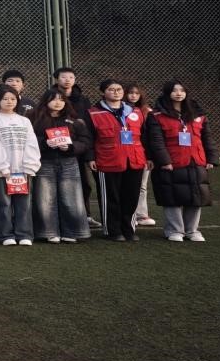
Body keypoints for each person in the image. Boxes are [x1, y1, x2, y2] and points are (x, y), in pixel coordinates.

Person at [145, 81, 217, 242]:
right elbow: (156, 140)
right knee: (172, 197)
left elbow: (207, 138)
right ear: (167, 93)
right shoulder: (156, 115)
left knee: (196, 196)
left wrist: (211, 158)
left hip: (196, 160)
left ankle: (192, 230)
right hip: (171, 162)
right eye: (174, 90)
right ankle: (174, 230)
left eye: (182, 90)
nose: (178, 93)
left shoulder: (198, 114)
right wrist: (164, 160)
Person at [85, 79, 149, 242]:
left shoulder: (136, 111)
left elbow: (145, 136)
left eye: (119, 89)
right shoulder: (93, 113)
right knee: (110, 197)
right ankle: (112, 230)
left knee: (131, 196)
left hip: (134, 159)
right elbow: (88, 138)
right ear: (103, 92)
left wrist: (148, 156)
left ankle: (128, 229)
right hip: (107, 160)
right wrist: (90, 157)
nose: (116, 92)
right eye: (111, 89)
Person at [27, 88, 91, 243]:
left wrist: (71, 147)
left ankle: (73, 232)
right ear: (46, 101)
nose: (58, 103)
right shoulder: (34, 118)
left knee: (71, 198)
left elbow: (85, 141)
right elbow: (29, 139)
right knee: (45, 198)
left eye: (61, 100)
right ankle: (48, 232)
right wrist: (45, 143)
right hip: (44, 162)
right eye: (54, 99)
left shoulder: (74, 119)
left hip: (69, 162)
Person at [0, 85, 41, 246]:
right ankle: (5, 235)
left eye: (13, 99)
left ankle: (24, 234)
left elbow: (31, 143)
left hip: (23, 170)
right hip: (2, 171)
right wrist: (3, 167)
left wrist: (29, 166)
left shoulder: (24, 121)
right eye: (5, 99)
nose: (9, 102)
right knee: (4, 203)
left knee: (24, 203)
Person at [53, 67, 98, 228]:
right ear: (56, 79)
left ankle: (86, 215)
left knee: (84, 183)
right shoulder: (50, 97)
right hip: (57, 147)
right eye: (63, 77)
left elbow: (87, 126)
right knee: (58, 184)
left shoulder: (83, 100)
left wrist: (88, 152)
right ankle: (59, 216)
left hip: (78, 147)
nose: (67, 80)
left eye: (71, 77)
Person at [125, 83, 156, 227]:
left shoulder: (147, 111)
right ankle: (128, 214)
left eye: (136, 93)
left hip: (142, 153)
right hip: (124, 152)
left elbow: (150, 135)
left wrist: (149, 155)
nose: (133, 96)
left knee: (142, 185)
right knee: (127, 185)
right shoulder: (119, 110)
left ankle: (142, 214)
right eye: (130, 93)